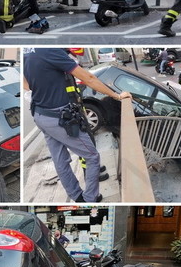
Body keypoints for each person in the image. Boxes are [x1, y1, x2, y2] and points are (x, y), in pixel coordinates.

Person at [23, 48, 131, 203]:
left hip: (41, 114)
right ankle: (90, 198)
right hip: (59, 118)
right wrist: (117, 95)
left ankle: (77, 196)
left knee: (60, 160)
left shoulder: (28, 52)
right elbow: (89, 78)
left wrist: (44, 91)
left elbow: (25, 82)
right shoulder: (52, 52)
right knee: (92, 156)